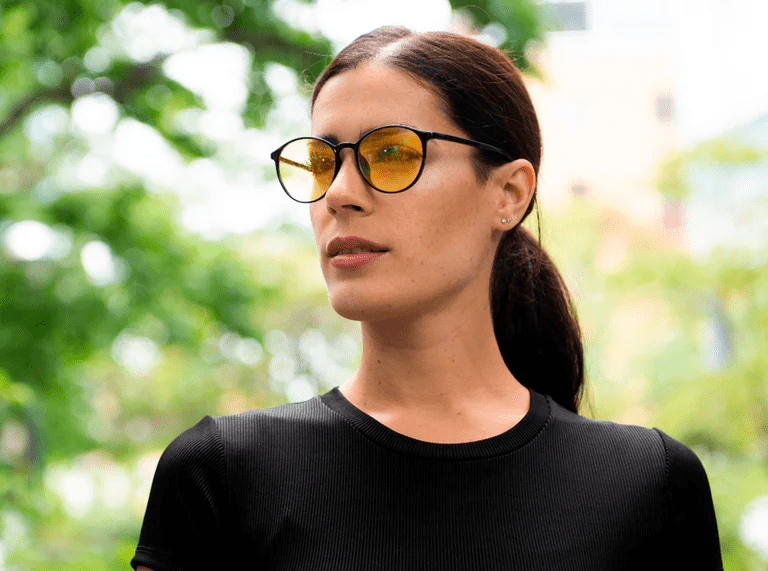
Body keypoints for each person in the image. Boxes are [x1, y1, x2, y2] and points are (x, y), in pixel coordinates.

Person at [131, 26, 724, 571]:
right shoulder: (220, 475)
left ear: (509, 194)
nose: (338, 194)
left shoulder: (648, 483)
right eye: (321, 161)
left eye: (392, 154)